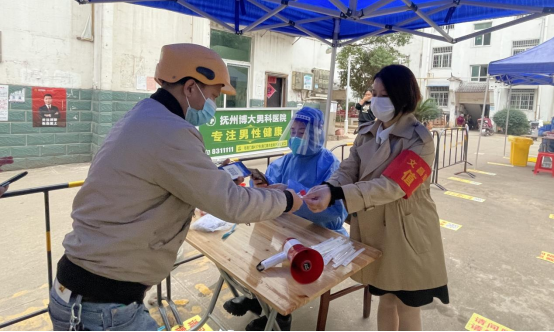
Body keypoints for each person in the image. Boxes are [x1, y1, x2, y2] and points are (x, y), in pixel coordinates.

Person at [48, 44, 303, 331]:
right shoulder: (171, 131)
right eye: (213, 95)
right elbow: (232, 204)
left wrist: (215, 178)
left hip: (87, 293)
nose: (212, 104)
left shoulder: (144, 115)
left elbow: (168, 177)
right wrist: (285, 199)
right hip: (103, 307)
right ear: (191, 87)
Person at [304, 65, 448, 331]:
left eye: (385, 95)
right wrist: (328, 187)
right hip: (374, 228)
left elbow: (392, 186)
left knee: (407, 304)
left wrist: (337, 193)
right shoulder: (368, 132)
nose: (377, 101)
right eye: (375, 93)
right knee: (385, 297)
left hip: (406, 230)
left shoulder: (420, 140)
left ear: (403, 97)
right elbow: (349, 168)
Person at [223, 107, 347, 331]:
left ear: (317, 134)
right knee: (260, 243)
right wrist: (261, 186)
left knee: (290, 260)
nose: (296, 137)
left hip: (320, 232)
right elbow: (270, 188)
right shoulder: (287, 161)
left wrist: (292, 193)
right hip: (287, 227)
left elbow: (335, 212)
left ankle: (281, 315)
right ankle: (257, 297)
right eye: (294, 131)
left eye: (302, 133)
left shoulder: (330, 165)